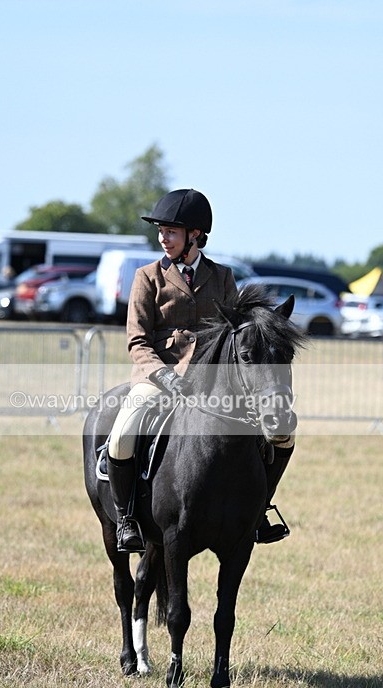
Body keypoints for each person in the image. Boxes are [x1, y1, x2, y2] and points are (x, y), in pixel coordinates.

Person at [107, 188, 295, 553]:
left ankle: (260, 509)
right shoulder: (147, 277)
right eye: (161, 231)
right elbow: (138, 341)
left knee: (283, 433)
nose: (163, 238)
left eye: (171, 231)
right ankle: (127, 518)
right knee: (121, 434)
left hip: (211, 382)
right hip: (157, 377)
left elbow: (236, 330)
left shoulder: (222, 277)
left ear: (195, 235)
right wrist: (163, 376)